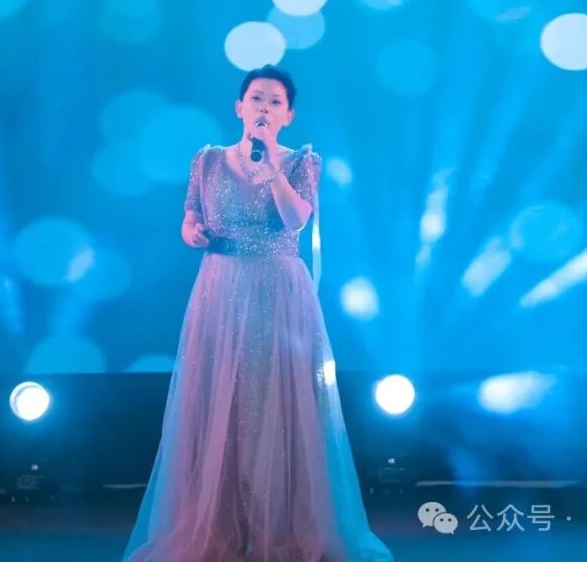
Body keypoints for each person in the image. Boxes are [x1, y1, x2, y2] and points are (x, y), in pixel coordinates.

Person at [123, 65, 393, 562]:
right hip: (220, 289)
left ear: (287, 116)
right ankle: (218, 526)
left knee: (274, 402)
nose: (264, 108)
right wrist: (191, 231)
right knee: (218, 402)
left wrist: (270, 166)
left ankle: (280, 528)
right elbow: (191, 216)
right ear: (239, 107)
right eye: (256, 98)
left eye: (274, 102)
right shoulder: (206, 160)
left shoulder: (301, 162)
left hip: (278, 291)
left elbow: (295, 219)